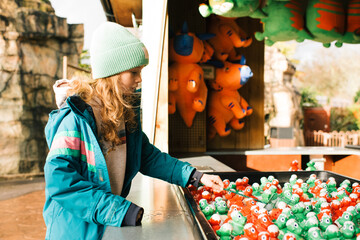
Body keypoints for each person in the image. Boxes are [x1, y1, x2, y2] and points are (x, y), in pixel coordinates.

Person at [43, 21, 224, 239]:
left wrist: (194, 176)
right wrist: (117, 210)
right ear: (113, 72)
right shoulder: (75, 119)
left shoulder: (124, 114)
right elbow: (60, 180)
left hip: (105, 225)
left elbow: (146, 157)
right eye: (133, 72)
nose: (139, 80)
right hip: (76, 231)